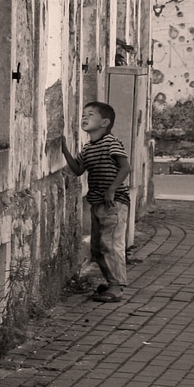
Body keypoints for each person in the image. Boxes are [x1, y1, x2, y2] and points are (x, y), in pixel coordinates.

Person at [61, 101, 131, 303]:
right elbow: (78, 169)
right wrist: (65, 150)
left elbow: (125, 168)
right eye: (83, 114)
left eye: (90, 115)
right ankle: (111, 282)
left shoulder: (111, 142)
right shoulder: (88, 148)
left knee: (110, 244)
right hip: (97, 203)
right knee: (98, 248)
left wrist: (112, 189)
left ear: (104, 122)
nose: (84, 118)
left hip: (114, 203)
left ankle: (117, 287)